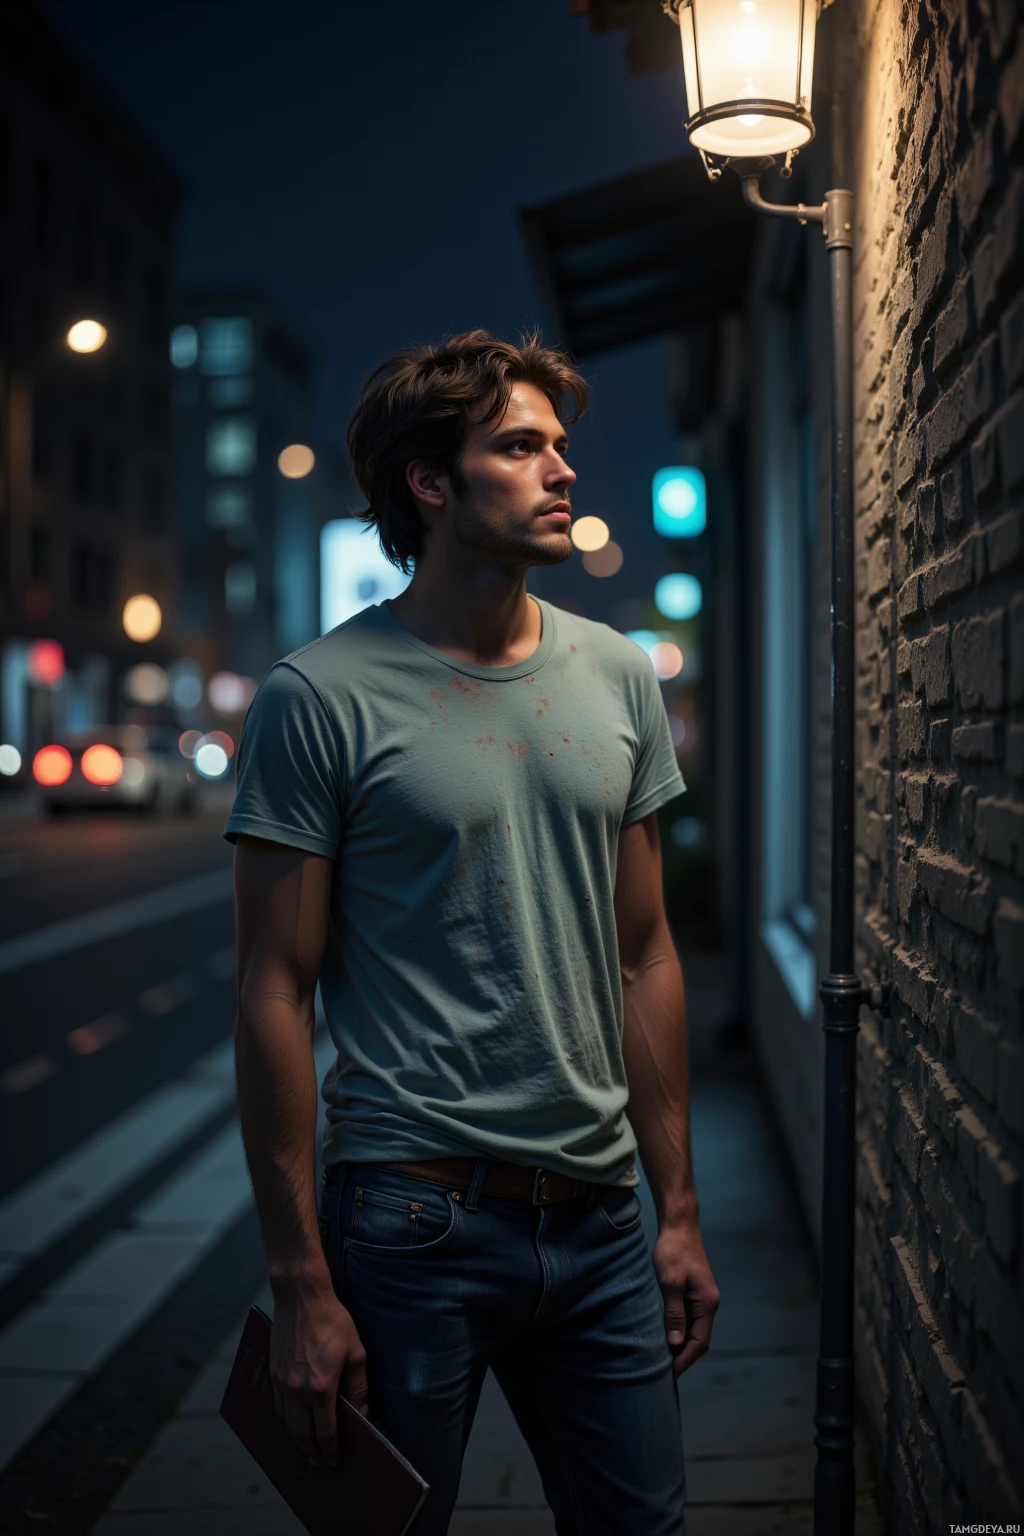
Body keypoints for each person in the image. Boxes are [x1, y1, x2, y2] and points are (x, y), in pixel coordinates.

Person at [226, 329, 719, 1536]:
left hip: (600, 1226)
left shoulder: (614, 676)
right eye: (519, 446)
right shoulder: (320, 696)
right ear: (430, 483)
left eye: (560, 445)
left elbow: (644, 952)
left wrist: (680, 1212)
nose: (561, 471)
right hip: (409, 1225)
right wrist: (300, 1282)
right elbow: (274, 991)